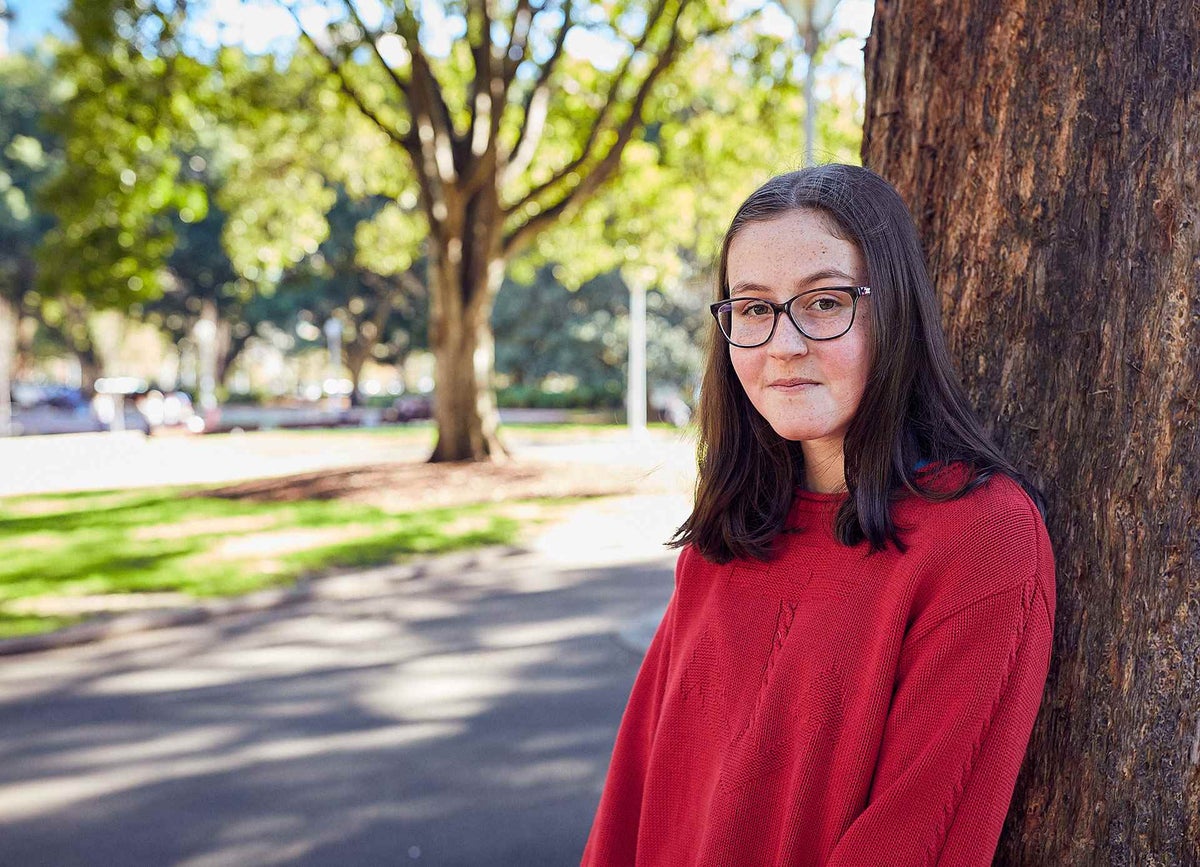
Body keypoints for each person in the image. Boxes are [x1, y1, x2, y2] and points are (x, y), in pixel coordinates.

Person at [580, 164, 1056, 866]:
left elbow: (917, 839)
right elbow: (634, 797)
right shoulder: (724, 539)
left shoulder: (980, 538)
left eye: (825, 302)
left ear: (893, 308)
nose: (783, 344)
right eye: (752, 307)